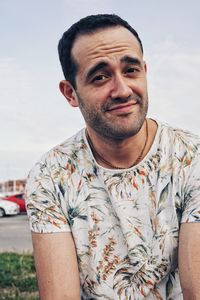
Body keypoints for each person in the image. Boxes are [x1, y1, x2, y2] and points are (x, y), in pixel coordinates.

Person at [25, 14, 200, 300]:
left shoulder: (192, 159)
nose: (122, 90)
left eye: (131, 70)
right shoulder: (50, 177)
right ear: (71, 93)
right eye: (100, 76)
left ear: (144, 71)